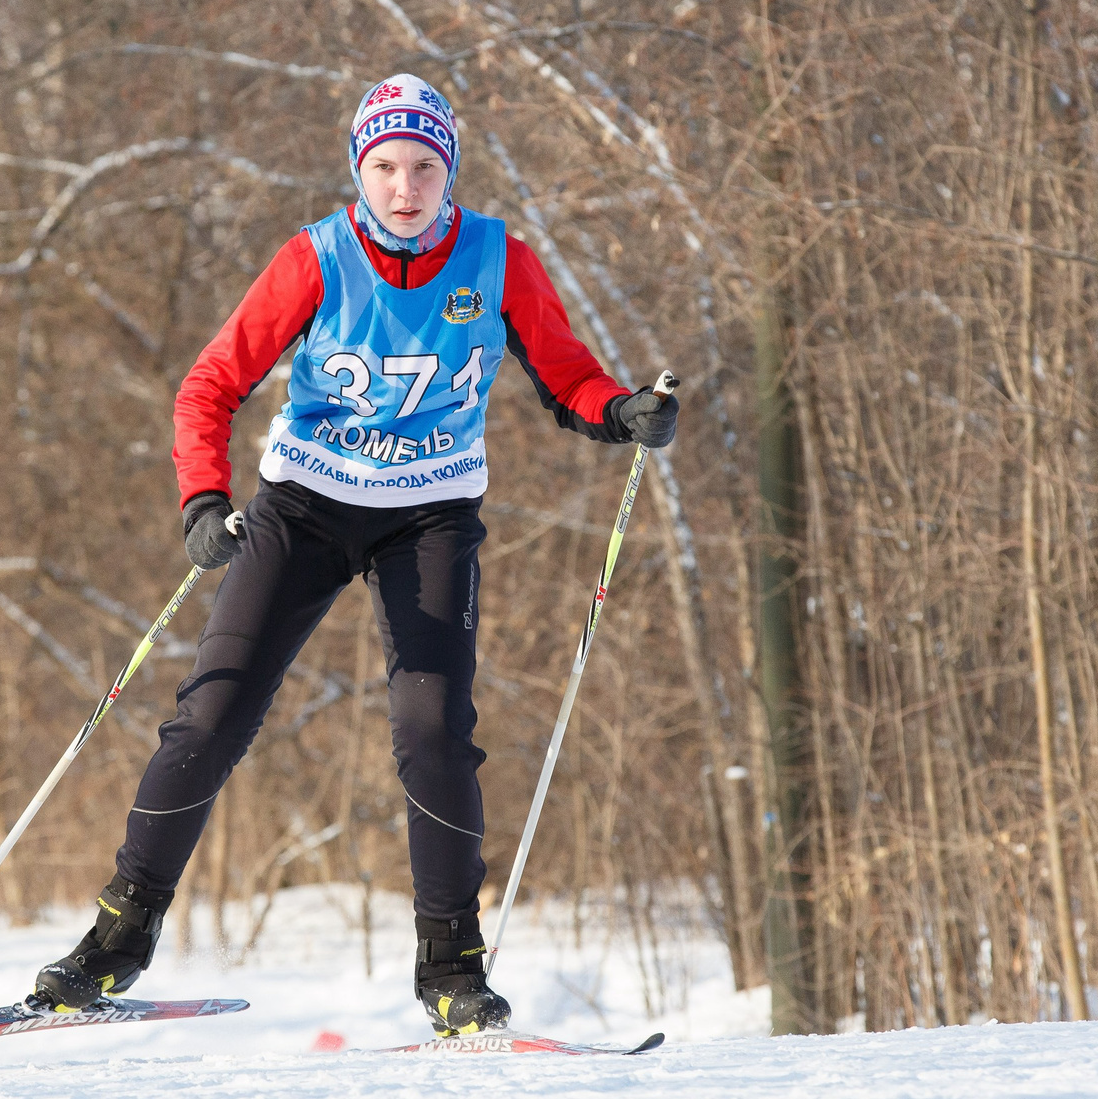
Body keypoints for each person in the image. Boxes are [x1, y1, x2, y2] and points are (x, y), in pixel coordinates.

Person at [33, 73, 678, 1034]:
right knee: (210, 716)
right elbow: (209, 386)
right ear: (358, 171)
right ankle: (113, 945)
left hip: (431, 516)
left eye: (425, 166)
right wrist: (204, 501)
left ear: (450, 170)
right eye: (385, 168)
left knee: (433, 734)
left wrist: (625, 411)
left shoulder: (498, 260)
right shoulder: (317, 259)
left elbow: (568, 375)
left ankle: (453, 971)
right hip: (305, 505)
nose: (406, 188)